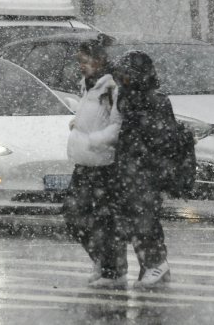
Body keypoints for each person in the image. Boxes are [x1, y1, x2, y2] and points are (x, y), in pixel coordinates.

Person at [62, 35, 126, 289]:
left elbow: (116, 126)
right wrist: (79, 126)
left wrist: (94, 140)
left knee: (102, 220)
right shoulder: (87, 86)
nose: (81, 65)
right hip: (85, 163)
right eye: (79, 60)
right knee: (73, 215)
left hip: (103, 166)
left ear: (100, 60)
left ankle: (112, 271)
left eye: (85, 60)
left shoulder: (110, 89)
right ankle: (101, 261)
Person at [112, 50, 177, 289]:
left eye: (128, 75)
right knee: (134, 219)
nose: (123, 80)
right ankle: (151, 265)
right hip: (130, 168)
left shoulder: (154, 101)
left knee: (144, 219)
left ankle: (155, 264)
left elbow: (164, 139)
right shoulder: (126, 98)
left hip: (145, 170)